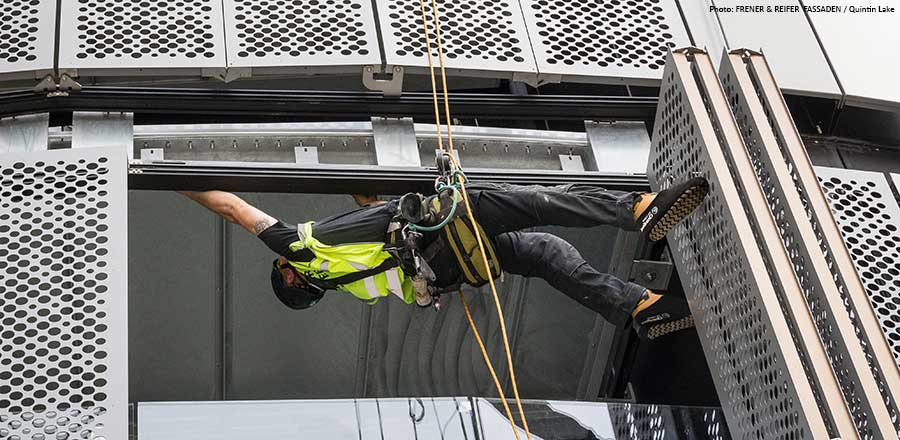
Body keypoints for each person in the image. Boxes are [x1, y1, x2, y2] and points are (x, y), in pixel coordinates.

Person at [179, 177, 708, 339]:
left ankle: (639, 306)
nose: (283, 262)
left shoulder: (348, 282)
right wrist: (159, 175)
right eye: (283, 270)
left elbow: (373, 224)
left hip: (450, 267)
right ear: (293, 278)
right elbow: (232, 208)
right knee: (532, 202)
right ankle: (635, 209)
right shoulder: (301, 249)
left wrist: (372, 201)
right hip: (438, 231)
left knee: (545, 254)